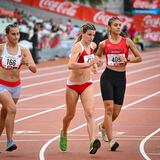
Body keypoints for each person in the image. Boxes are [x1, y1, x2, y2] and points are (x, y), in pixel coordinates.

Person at [96, 17, 142, 151]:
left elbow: (139, 57)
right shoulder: (103, 44)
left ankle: (103, 127)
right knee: (109, 109)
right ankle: (112, 141)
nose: (118, 27)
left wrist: (127, 59)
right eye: (115, 25)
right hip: (107, 77)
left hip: (121, 78)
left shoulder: (127, 42)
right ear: (109, 27)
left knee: (116, 112)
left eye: (119, 25)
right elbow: (97, 56)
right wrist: (97, 61)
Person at [59, 23, 101, 154]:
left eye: (93, 35)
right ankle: (64, 132)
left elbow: (92, 60)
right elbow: (70, 65)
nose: (91, 37)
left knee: (89, 113)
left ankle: (92, 142)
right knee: (70, 115)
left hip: (87, 84)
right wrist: (88, 64)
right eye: (89, 34)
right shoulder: (78, 46)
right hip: (73, 85)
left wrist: (95, 65)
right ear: (82, 33)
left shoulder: (93, 46)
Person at [0, 24, 37, 151]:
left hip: (16, 87)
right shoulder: (1, 49)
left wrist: (27, 63)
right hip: (1, 85)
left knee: (4, 113)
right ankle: (10, 141)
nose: (16, 37)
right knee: (12, 109)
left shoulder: (24, 50)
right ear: (7, 35)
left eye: (18, 34)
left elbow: (34, 69)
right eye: (13, 34)